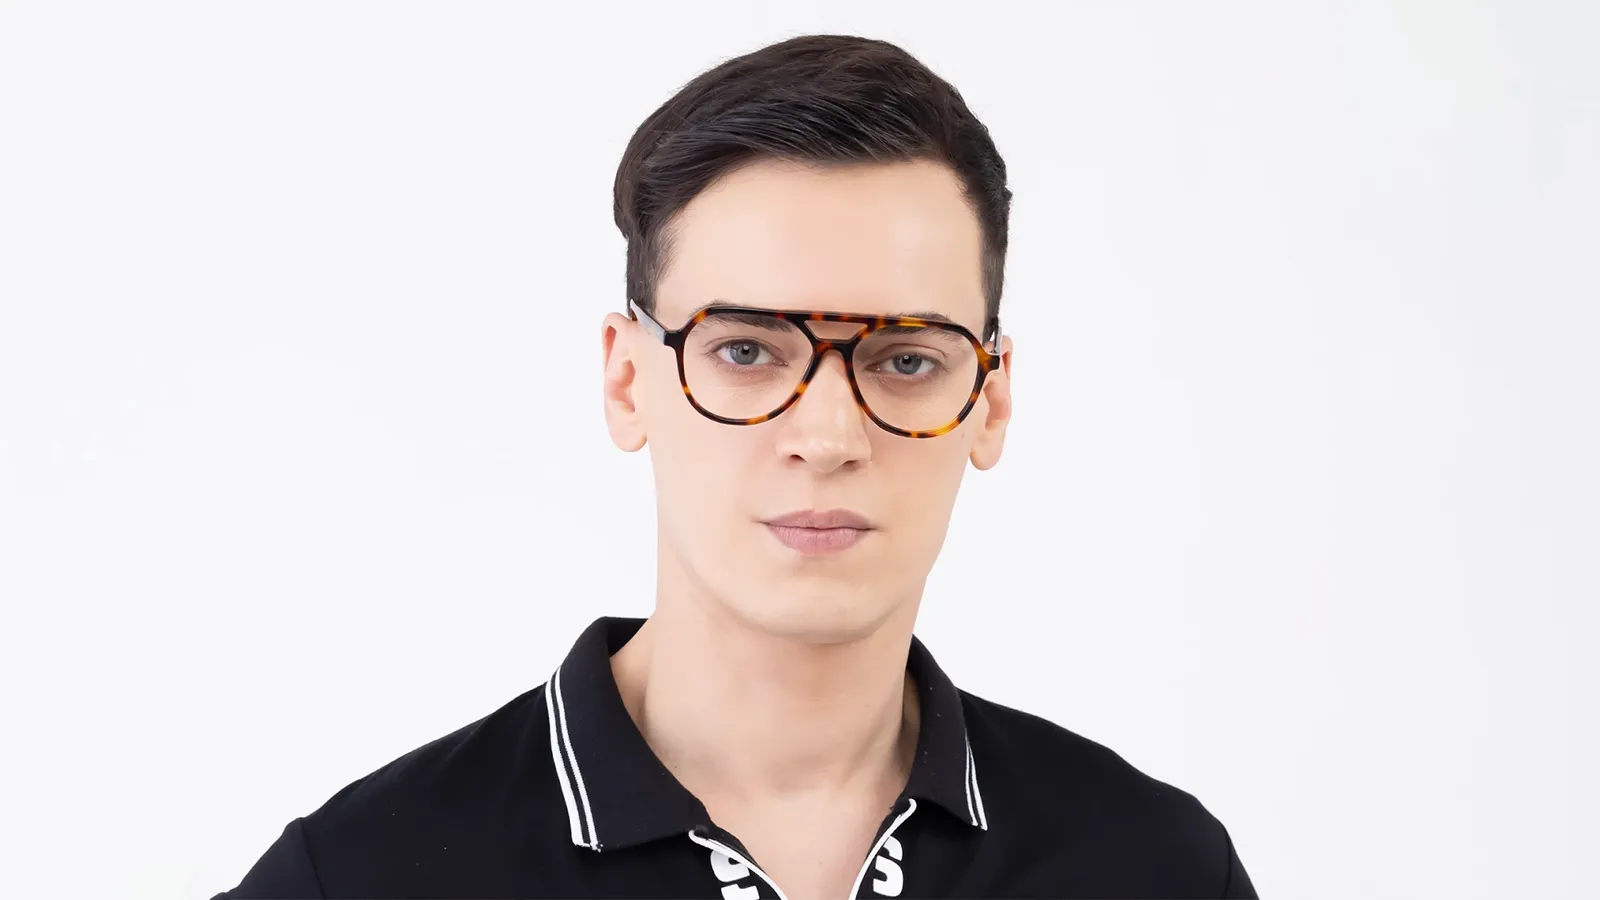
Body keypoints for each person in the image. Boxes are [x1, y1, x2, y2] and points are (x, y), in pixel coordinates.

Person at [214, 33, 1257, 900]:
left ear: (989, 399)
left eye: (906, 360)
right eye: (748, 351)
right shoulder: (357, 878)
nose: (829, 436)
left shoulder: (1154, 869)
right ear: (628, 381)